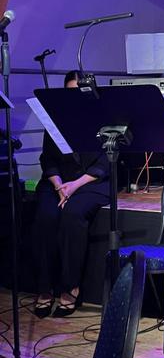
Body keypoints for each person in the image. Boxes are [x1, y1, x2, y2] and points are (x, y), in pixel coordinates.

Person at [32, 70, 109, 318]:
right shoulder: (54, 118)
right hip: (58, 183)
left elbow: (104, 164)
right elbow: (48, 159)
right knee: (46, 216)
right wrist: (59, 186)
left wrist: (73, 186)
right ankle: (45, 287)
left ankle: (70, 287)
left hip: (90, 182)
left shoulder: (103, 118)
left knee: (73, 215)